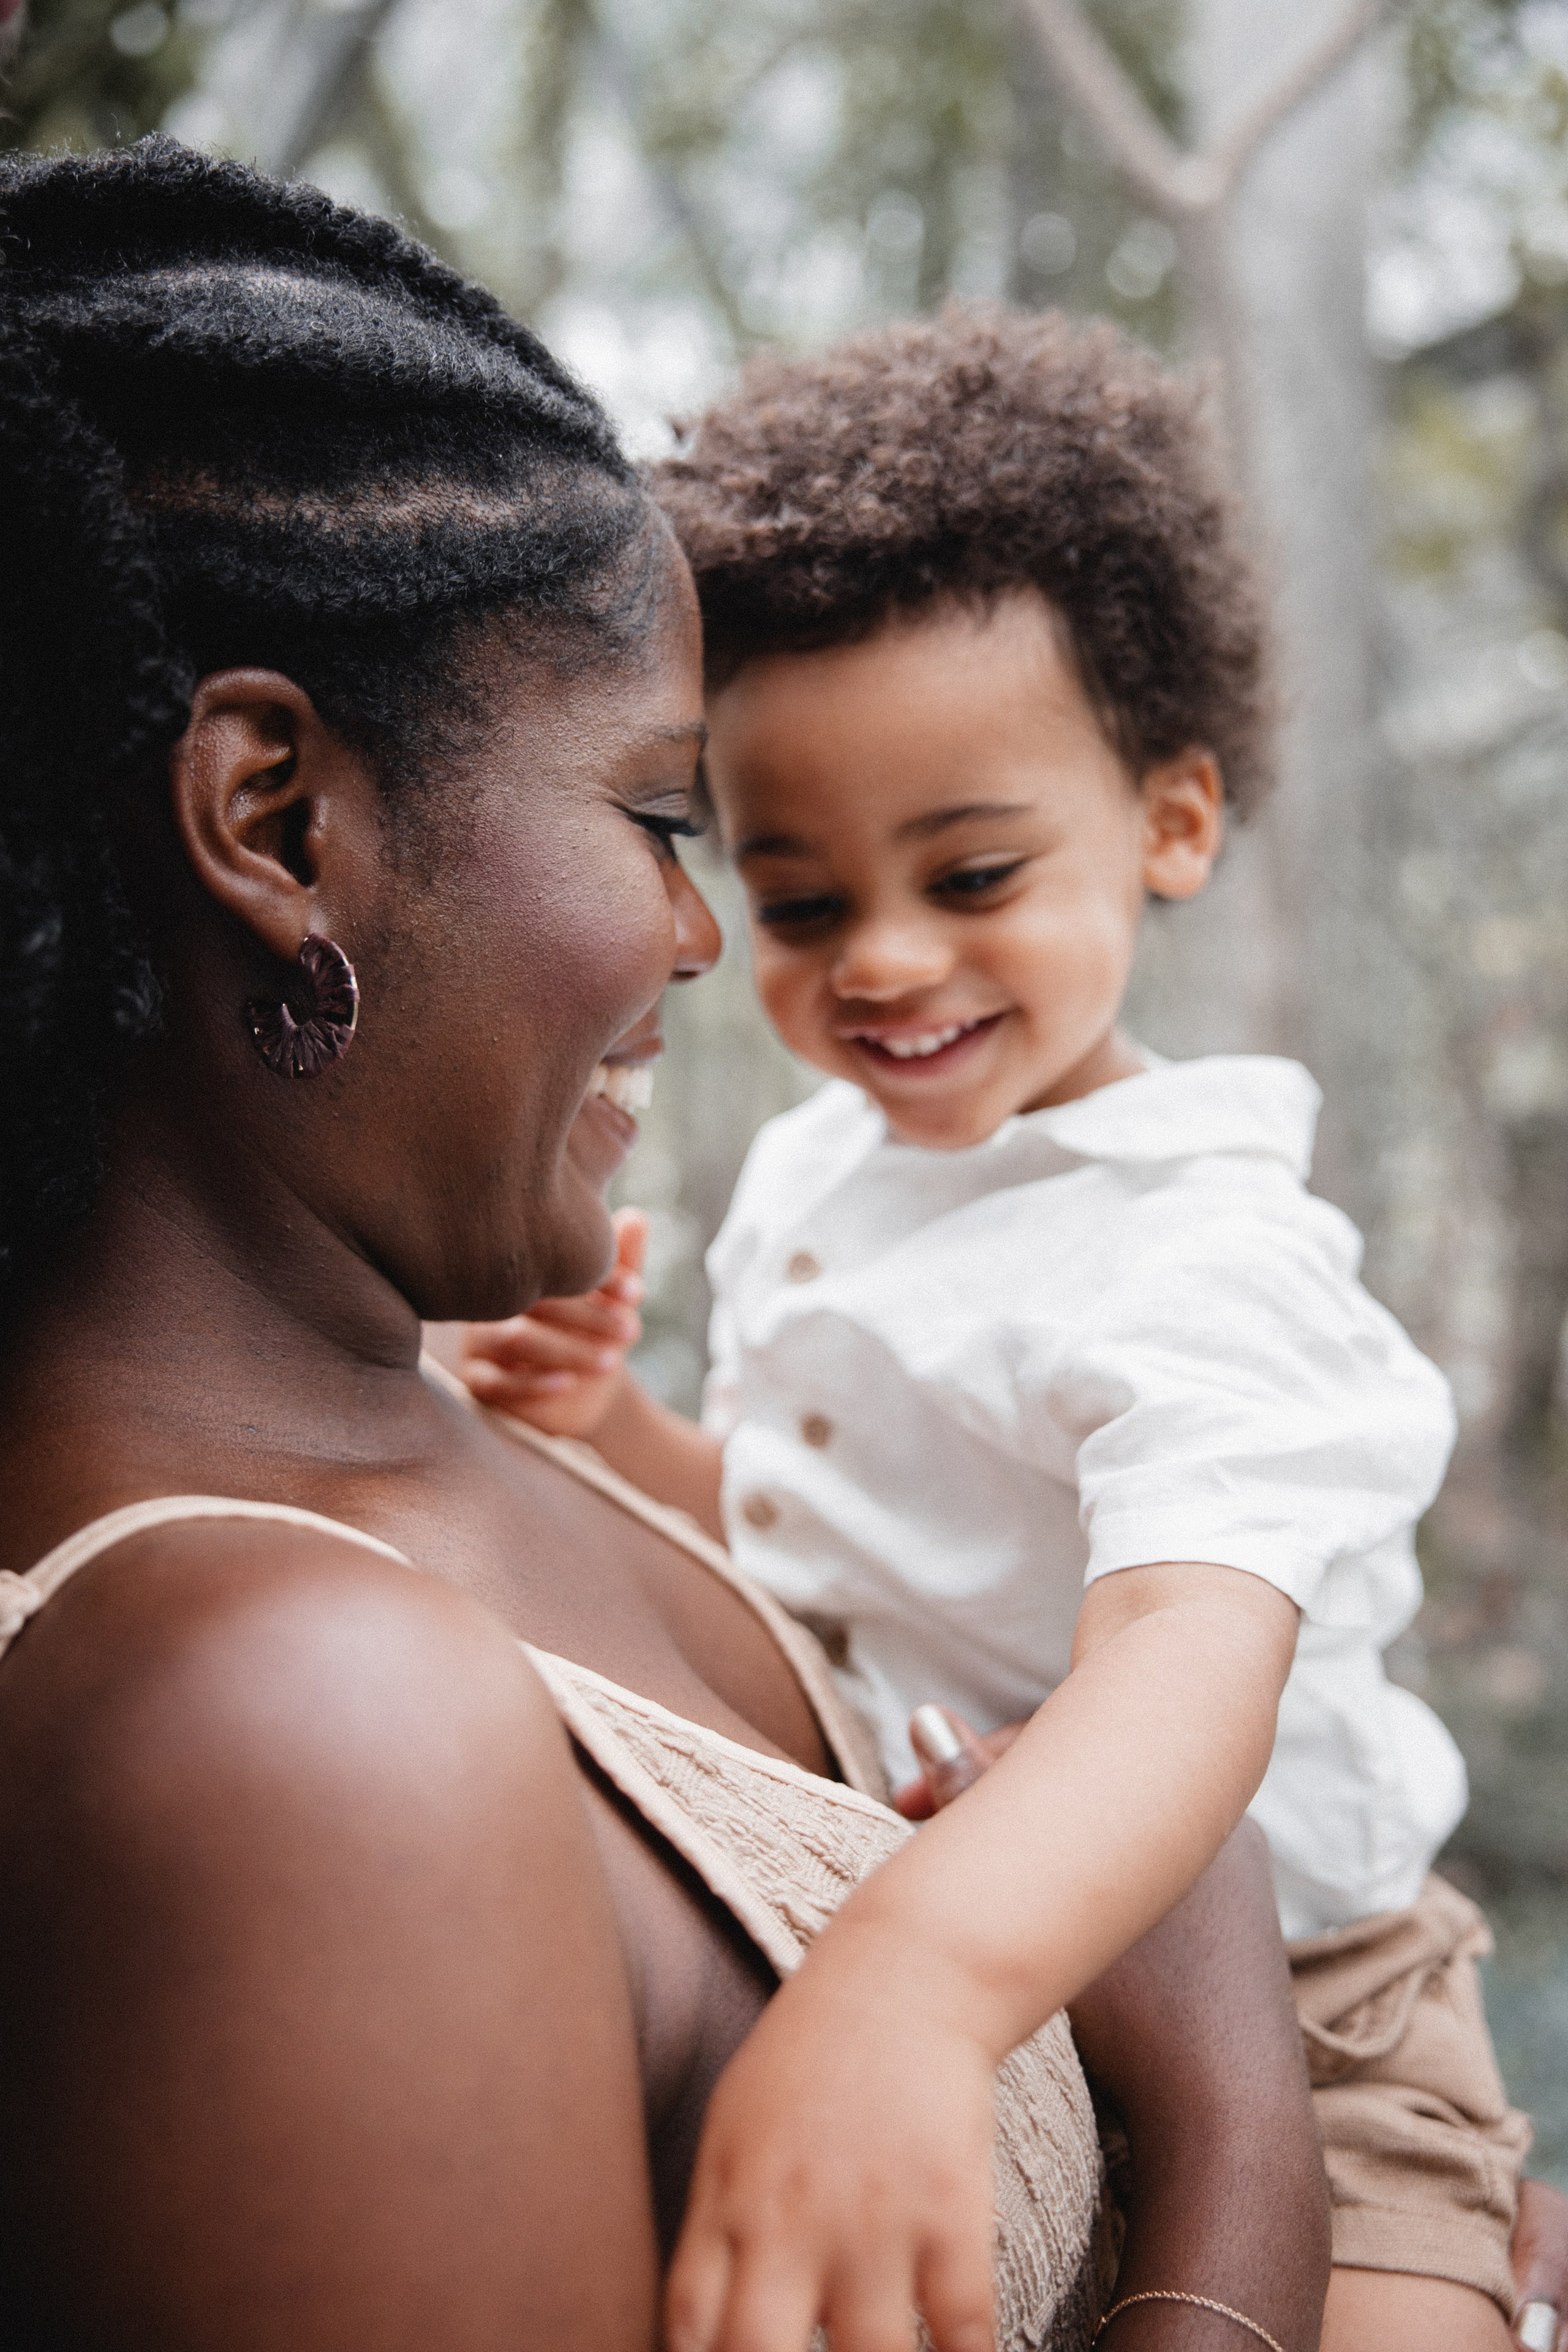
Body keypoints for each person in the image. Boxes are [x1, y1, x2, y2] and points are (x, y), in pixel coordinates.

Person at [0, 140, 1346, 2352]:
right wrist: (1237, 2157)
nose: (704, 934)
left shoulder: (453, 1430)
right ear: (274, 820)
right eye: (653, 817)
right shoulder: (293, 1727)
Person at [457, 307, 1537, 2351]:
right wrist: (622, 1430)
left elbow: (1179, 1665)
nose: (884, 959)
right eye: (796, 899)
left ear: (1175, 824)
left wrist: (919, 1988)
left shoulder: (1207, 1256)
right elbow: (826, 1543)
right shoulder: (820, 1183)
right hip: (951, 1927)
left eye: (972, 871)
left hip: (1314, 2000)